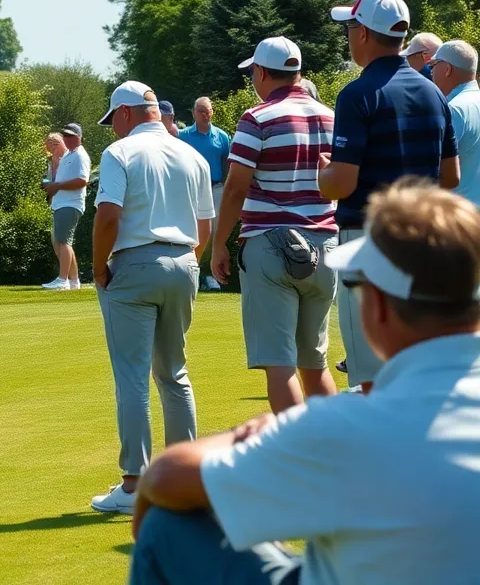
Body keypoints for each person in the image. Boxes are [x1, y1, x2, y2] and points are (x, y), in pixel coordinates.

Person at [128, 178, 480, 585]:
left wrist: (267, 431)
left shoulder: (347, 427)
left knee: (168, 528)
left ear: (379, 306)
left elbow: (164, 476)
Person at [320, 0, 459, 392]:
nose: (348, 36)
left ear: (363, 33)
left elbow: (342, 181)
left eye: (350, 27)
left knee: (373, 379)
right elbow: (449, 176)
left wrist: (323, 175)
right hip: (421, 242)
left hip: (368, 241)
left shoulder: (357, 95)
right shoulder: (433, 92)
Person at [89, 80, 214, 514]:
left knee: (132, 376)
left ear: (124, 114)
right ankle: (185, 480)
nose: (112, 130)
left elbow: (108, 216)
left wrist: (98, 265)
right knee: (174, 373)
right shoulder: (192, 154)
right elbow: (204, 231)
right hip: (184, 263)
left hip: (134, 266)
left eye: (113, 121)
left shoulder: (119, 153)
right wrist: (185, 263)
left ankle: (135, 485)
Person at [211, 37, 339, 413]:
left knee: (280, 365)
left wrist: (219, 245)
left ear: (263, 72)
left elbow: (235, 188)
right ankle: (335, 456)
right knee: (314, 364)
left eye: (253, 72)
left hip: (270, 245)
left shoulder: (256, 118)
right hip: (325, 245)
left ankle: (299, 461)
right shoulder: (333, 116)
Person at [178, 97, 231, 291]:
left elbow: (227, 162)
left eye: (208, 110)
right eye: (201, 110)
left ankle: (208, 274)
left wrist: (226, 185)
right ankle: (189, 269)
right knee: (189, 229)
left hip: (215, 188)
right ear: (193, 113)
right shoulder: (183, 136)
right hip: (191, 188)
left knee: (212, 231)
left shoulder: (222, 136)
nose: (205, 114)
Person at [430, 40, 480, 207]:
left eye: (434, 65)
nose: (431, 72)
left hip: (460, 215)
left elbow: (435, 167)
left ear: (447, 69)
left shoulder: (454, 109)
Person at [43, 123, 90, 291]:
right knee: (62, 242)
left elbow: (83, 180)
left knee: (63, 241)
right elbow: (55, 179)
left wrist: (57, 186)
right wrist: (53, 185)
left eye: (71, 136)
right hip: (62, 203)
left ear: (79, 137)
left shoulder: (79, 155)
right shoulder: (70, 155)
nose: (67, 139)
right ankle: (74, 280)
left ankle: (63, 280)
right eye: (65, 136)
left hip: (70, 203)